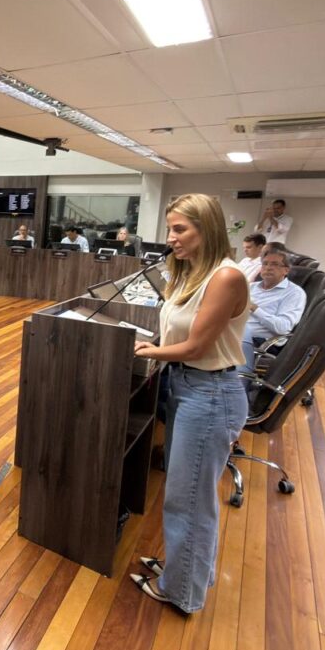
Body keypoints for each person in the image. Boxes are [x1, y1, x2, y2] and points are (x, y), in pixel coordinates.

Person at [130, 193, 250, 614]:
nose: (171, 238)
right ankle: (188, 572)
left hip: (210, 393)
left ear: (207, 228)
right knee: (188, 494)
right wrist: (156, 346)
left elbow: (196, 347)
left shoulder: (226, 277)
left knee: (189, 500)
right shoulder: (192, 272)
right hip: (186, 386)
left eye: (180, 229)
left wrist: (147, 351)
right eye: (170, 229)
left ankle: (181, 592)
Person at [237, 250, 306, 381]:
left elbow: (283, 327)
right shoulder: (250, 287)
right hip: (234, 332)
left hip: (260, 341)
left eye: (274, 264)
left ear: (286, 270)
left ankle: (235, 389)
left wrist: (254, 308)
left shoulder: (294, 293)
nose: (268, 267)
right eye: (265, 264)